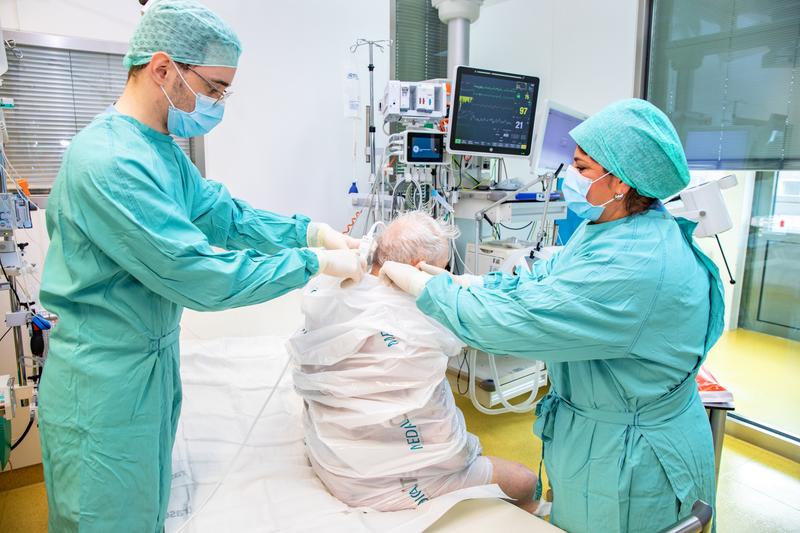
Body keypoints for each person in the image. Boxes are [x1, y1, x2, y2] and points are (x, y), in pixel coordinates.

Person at [37, 1, 363, 531]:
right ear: (163, 69)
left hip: (149, 368)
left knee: (145, 512)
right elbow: (197, 273)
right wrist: (313, 262)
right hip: (103, 385)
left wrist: (307, 230)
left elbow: (222, 214)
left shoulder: (161, 151)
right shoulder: (110, 162)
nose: (217, 103)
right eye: (213, 88)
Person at [381, 99, 724, 533]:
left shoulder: (635, 264)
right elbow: (544, 283)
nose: (571, 179)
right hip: (598, 435)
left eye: (581, 169)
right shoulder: (610, 225)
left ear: (620, 181)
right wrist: (473, 286)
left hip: (635, 460)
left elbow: (510, 325)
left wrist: (431, 289)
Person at [289, 213, 539, 513]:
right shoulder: (422, 326)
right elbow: (447, 451)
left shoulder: (331, 289)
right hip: (385, 485)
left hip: (333, 461)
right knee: (527, 483)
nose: (443, 274)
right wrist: (470, 451)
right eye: (443, 267)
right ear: (422, 267)